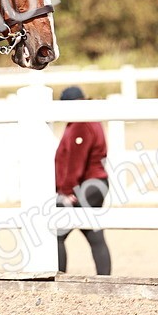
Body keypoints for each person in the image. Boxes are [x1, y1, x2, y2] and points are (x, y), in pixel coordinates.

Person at [54, 86, 111, 275]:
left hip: (86, 185)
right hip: (94, 184)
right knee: (94, 234)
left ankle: (58, 278)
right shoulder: (90, 120)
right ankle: (104, 280)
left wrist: (67, 190)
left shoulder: (80, 123)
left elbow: (75, 160)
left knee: (56, 232)